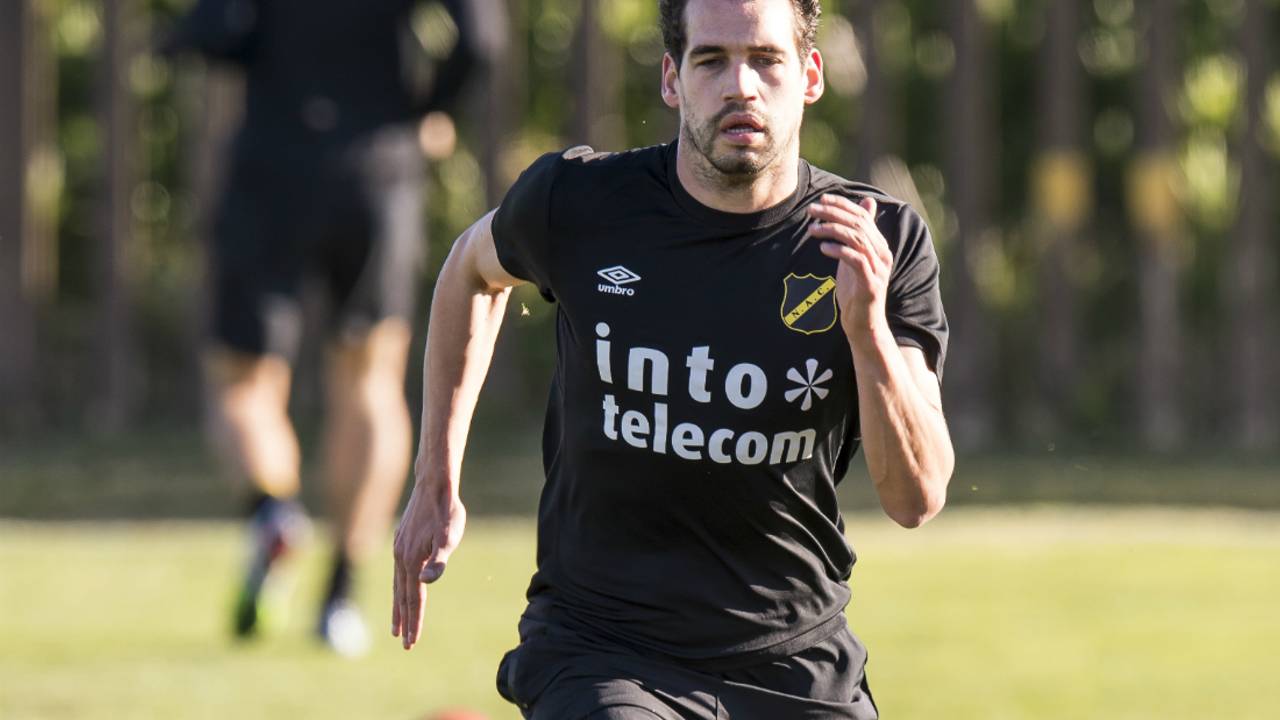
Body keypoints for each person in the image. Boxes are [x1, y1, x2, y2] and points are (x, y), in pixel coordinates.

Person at [393, 0, 954, 715]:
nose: (741, 86)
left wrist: (866, 330)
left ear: (809, 76)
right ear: (671, 78)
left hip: (794, 659)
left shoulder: (878, 242)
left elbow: (916, 498)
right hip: (602, 649)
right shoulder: (583, 202)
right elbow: (470, 270)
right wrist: (436, 477)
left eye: (766, 60)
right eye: (711, 60)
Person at [164, 0, 491, 656]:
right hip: (378, 166)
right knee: (369, 379)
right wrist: (429, 110)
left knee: (242, 381)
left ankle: (271, 512)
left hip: (271, 160)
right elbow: (481, 41)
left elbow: (208, 31)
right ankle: (339, 597)